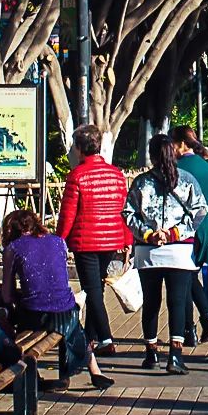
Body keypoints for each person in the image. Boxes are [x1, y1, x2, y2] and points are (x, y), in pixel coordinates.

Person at [122, 133, 208, 375]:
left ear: (151, 155)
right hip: (179, 251)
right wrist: (175, 232)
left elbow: (128, 214)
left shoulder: (141, 182)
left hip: (148, 252)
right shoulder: (186, 180)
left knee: (151, 302)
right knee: (177, 302)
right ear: (174, 153)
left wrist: (149, 234)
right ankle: (175, 355)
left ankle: (151, 354)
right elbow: (201, 210)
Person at [1, 208, 113, 391]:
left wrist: (19, 298)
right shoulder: (58, 242)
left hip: (35, 315)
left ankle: (31, 376)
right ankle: (94, 370)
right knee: (70, 313)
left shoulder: (13, 248)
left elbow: (7, 295)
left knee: (16, 320)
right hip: (66, 313)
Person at [56, 123, 132, 360]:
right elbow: (124, 210)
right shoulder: (117, 175)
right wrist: (127, 239)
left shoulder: (77, 175)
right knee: (96, 288)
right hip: (111, 240)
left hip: (85, 241)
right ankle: (90, 338)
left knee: (92, 290)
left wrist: (59, 241)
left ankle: (106, 338)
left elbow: (68, 213)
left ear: (80, 148)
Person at [173, 126, 208, 344]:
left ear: (182, 144)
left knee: (184, 278)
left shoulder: (177, 168)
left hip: (185, 230)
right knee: (190, 277)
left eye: (173, 143)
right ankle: (205, 321)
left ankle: (191, 328)